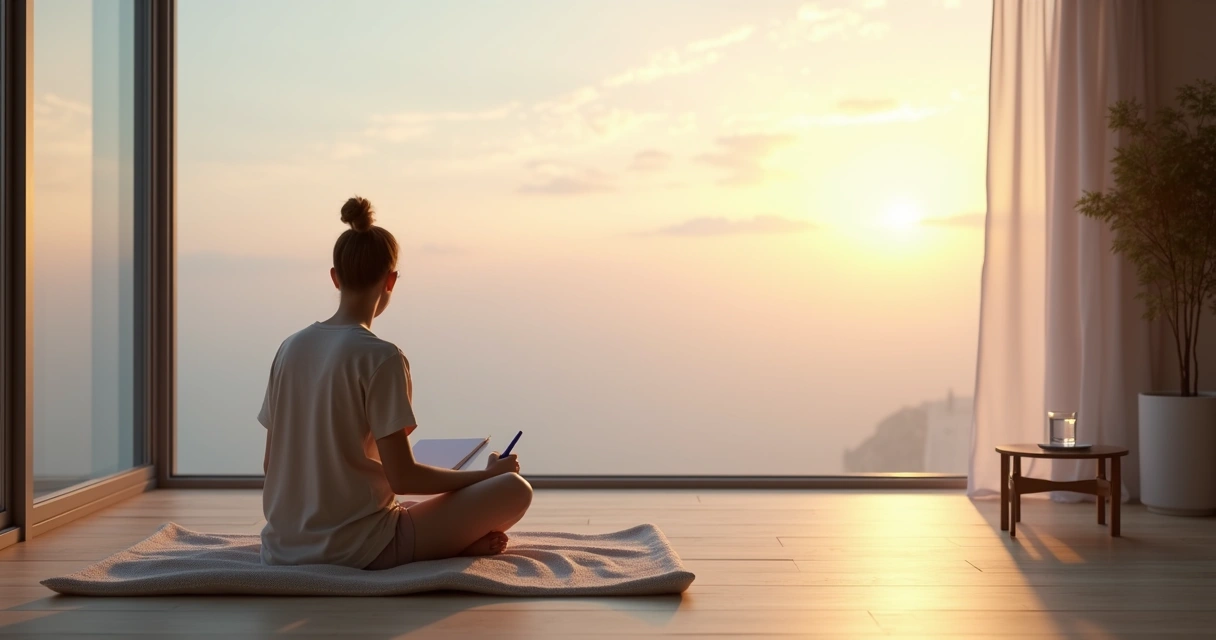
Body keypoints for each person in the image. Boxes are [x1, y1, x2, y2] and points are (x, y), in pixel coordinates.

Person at [258, 196, 533, 570]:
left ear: (335, 277)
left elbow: (271, 463)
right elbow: (402, 477)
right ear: (391, 280)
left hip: (281, 548)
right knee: (514, 489)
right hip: (358, 549)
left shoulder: (289, 348)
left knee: (417, 506)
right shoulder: (382, 357)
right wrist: (484, 476)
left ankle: (443, 540)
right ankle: (443, 546)